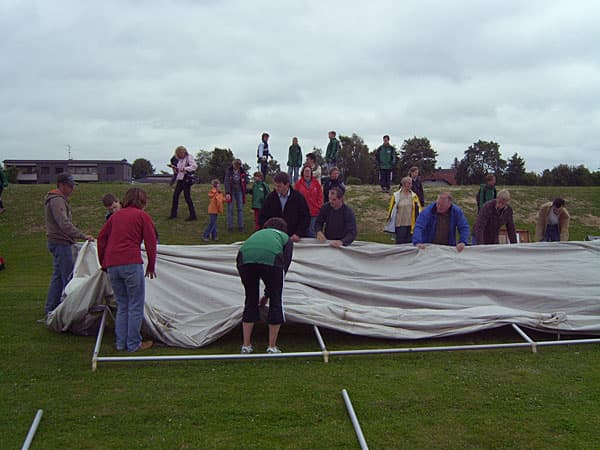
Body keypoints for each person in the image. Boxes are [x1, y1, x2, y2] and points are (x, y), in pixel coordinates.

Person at [97, 188, 157, 352]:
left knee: (122, 305)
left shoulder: (115, 216)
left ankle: (120, 343)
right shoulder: (142, 216)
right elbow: (151, 242)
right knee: (135, 305)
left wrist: (104, 263)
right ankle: (133, 344)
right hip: (131, 263)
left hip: (112, 265)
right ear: (142, 201)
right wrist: (151, 265)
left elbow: (101, 239)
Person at [237, 217, 293, 354]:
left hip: (244, 259)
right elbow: (283, 269)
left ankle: (246, 345)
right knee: (276, 300)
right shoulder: (286, 238)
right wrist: (269, 295)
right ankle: (272, 346)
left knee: (250, 299)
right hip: (271, 260)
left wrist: (263, 295)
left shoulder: (257, 234)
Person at [42, 173, 94, 319]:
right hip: (61, 243)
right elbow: (64, 224)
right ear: (62, 185)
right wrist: (83, 236)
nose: (72, 189)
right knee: (68, 278)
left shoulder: (56, 199)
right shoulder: (57, 201)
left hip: (57, 242)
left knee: (58, 277)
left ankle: (51, 309)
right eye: (70, 186)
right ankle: (67, 312)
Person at [259, 172, 310, 242]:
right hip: (275, 238)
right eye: (275, 186)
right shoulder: (270, 198)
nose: (276, 188)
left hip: (293, 238)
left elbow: (305, 217)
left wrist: (298, 233)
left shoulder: (298, 197)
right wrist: (268, 232)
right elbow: (262, 217)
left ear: (287, 185)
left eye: (279, 186)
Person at [384, 177, 422, 244]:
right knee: (400, 243)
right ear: (404, 184)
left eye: (411, 184)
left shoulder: (414, 196)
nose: (411, 185)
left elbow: (419, 209)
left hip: (411, 224)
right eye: (409, 183)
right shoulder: (396, 195)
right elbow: (391, 209)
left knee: (410, 244)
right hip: (400, 224)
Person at [168, 145, 198, 221]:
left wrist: (185, 168)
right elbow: (179, 169)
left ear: (184, 151)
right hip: (180, 179)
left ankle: (193, 215)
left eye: (181, 152)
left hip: (186, 179)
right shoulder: (180, 160)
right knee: (175, 196)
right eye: (178, 153)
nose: (180, 154)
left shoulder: (189, 157)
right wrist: (175, 168)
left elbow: (194, 166)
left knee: (187, 197)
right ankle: (173, 214)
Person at [294, 165, 323, 238]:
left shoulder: (316, 183)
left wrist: (319, 206)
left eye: (309, 171)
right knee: (302, 231)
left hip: (314, 211)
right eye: (306, 171)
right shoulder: (298, 184)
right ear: (302, 172)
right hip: (302, 212)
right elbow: (295, 197)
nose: (307, 172)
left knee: (312, 232)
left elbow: (320, 195)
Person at [224, 159, 249, 232]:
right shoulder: (229, 171)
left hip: (239, 191)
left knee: (240, 209)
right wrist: (228, 193)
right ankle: (230, 227)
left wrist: (245, 187)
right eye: (235, 165)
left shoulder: (242, 171)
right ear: (233, 164)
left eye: (238, 165)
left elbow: (245, 181)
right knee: (230, 209)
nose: (236, 167)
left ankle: (241, 226)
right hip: (231, 191)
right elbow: (226, 181)